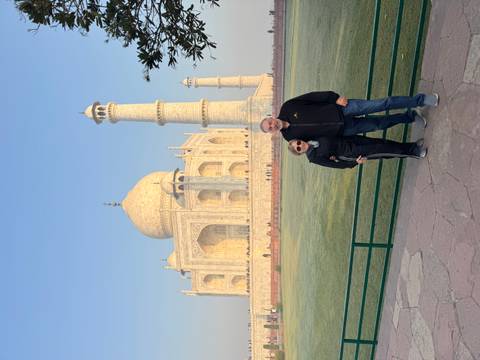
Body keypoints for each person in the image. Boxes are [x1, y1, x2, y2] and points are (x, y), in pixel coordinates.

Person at [260, 92, 438, 141]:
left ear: (270, 117)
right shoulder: (290, 138)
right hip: (343, 130)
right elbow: (315, 143)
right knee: (379, 125)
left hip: (342, 109)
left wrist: (334, 98)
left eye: (270, 122)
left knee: (381, 104)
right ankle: (410, 117)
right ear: (271, 132)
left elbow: (313, 97)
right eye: (270, 128)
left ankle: (420, 100)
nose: (272, 125)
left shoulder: (288, 107)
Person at [288, 137, 427, 169]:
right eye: (298, 148)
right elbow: (335, 165)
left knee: (383, 143)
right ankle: (414, 153)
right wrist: (354, 162)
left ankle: (411, 145)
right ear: (299, 153)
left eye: (298, 142)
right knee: (382, 150)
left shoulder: (313, 138)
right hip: (352, 152)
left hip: (353, 140)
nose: (300, 145)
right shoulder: (313, 157)